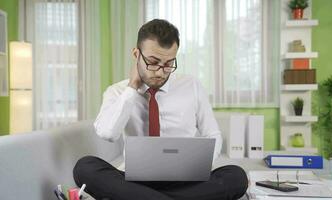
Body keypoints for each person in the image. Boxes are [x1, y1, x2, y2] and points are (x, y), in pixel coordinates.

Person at [73, 19, 248, 200]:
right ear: (136, 54)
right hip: (134, 181)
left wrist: (198, 168)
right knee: (85, 167)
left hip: (186, 181)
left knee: (236, 176)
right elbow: (107, 133)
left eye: (168, 64)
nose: (159, 72)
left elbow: (212, 133)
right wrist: (132, 87)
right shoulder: (117, 91)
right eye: (153, 62)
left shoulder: (192, 85)